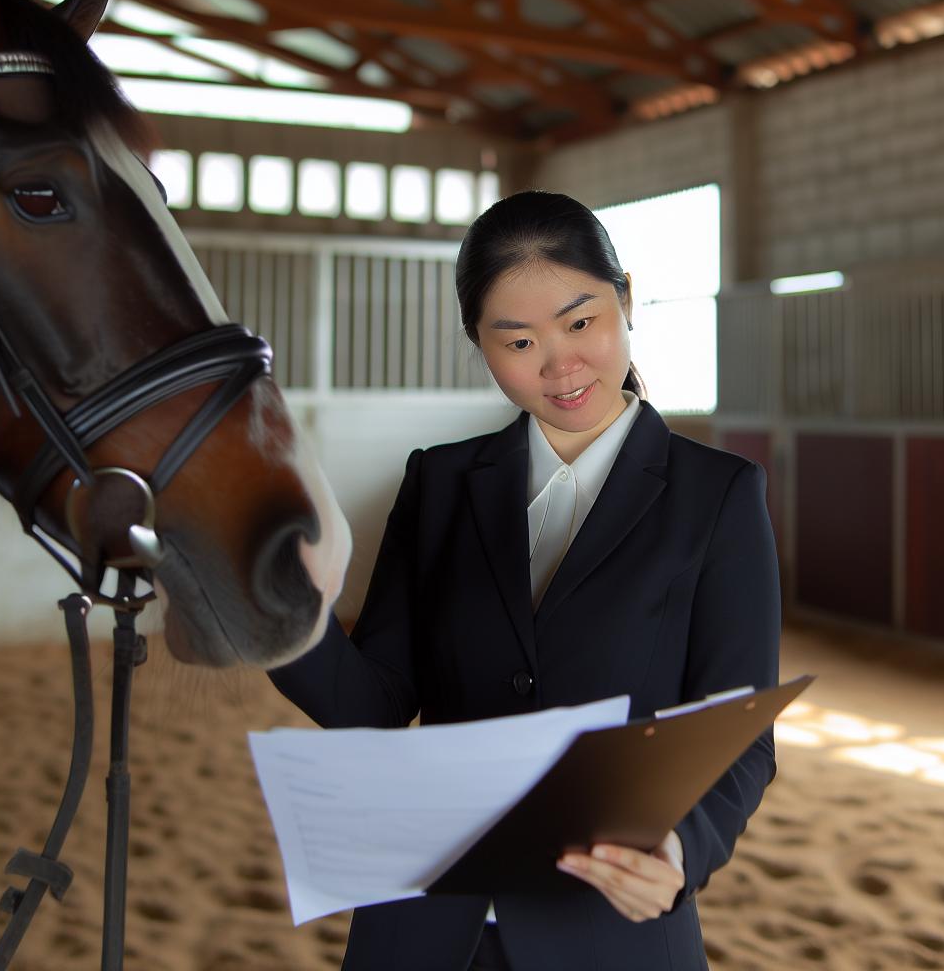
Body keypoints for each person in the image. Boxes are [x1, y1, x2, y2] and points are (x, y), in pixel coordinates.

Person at [267, 189, 781, 971]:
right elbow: (373, 704)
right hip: (423, 928)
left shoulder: (718, 496)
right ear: (478, 342)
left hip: (610, 931)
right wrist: (280, 610)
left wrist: (681, 849)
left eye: (580, 322)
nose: (559, 364)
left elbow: (738, 731)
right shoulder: (438, 485)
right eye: (518, 341)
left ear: (627, 300)